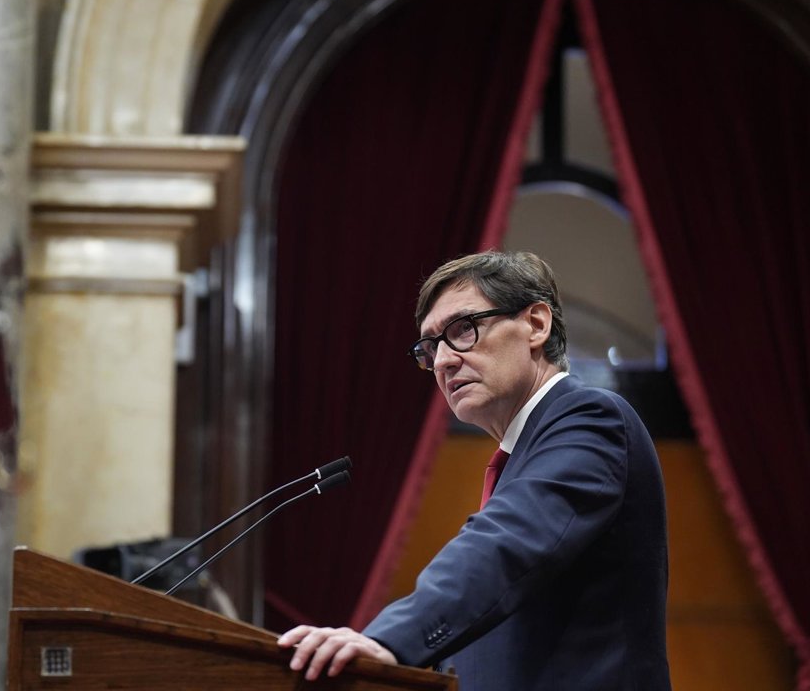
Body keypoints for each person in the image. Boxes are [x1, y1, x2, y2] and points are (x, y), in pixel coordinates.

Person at [278, 250, 671, 690]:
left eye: (463, 329)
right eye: (430, 347)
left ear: (536, 324)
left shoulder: (592, 418)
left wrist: (389, 639)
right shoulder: (522, 458)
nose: (442, 361)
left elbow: (506, 544)